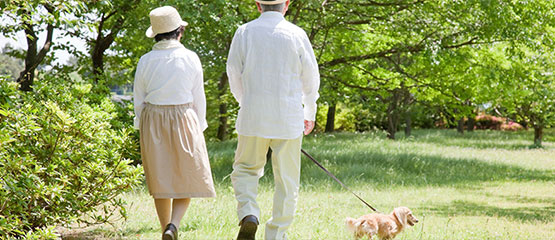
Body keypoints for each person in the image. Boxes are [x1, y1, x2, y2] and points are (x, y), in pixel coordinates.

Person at [226, 0, 320, 239]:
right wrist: (309, 112)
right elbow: (310, 78)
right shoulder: (297, 34)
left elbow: (233, 72)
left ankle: (248, 212)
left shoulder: (244, 32)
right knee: (287, 180)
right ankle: (276, 234)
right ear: (286, 5)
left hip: (253, 115)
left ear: (258, 5)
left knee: (246, 169)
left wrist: (245, 103)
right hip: (288, 117)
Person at [133, 6, 216, 240]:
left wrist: (141, 126)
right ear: (180, 31)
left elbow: (138, 99)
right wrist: (200, 126)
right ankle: (174, 225)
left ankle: (164, 229)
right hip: (184, 116)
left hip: (153, 119)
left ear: (156, 34)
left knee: (161, 178)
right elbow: (199, 95)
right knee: (186, 176)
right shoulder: (190, 57)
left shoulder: (145, 60)